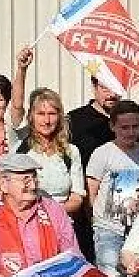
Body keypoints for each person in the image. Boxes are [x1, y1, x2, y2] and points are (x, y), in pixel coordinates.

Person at [85, 100, 139, 277]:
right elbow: (91, 192)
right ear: (112, 126)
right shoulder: (102, 153)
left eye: (135, 127)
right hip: (107, 228)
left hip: (138, 228)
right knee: (111, 276)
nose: (130, 132)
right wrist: (95, 220)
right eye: (124, 127)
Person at [18, 88, 86, 217]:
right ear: (31, 116)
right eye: (41, 114)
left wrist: (53, 212)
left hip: (62, 223)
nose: (47, 120)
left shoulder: (71, 152)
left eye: (52, 113)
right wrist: (22, 70)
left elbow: (77, 198)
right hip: (29, 222)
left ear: (59, 117)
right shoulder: (21, 148)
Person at [67, 73, 139, 166]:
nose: (112, 94)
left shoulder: (132, 117)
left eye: (117, 87)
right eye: (105, 88)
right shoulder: (75, 119)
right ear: (94, 87)